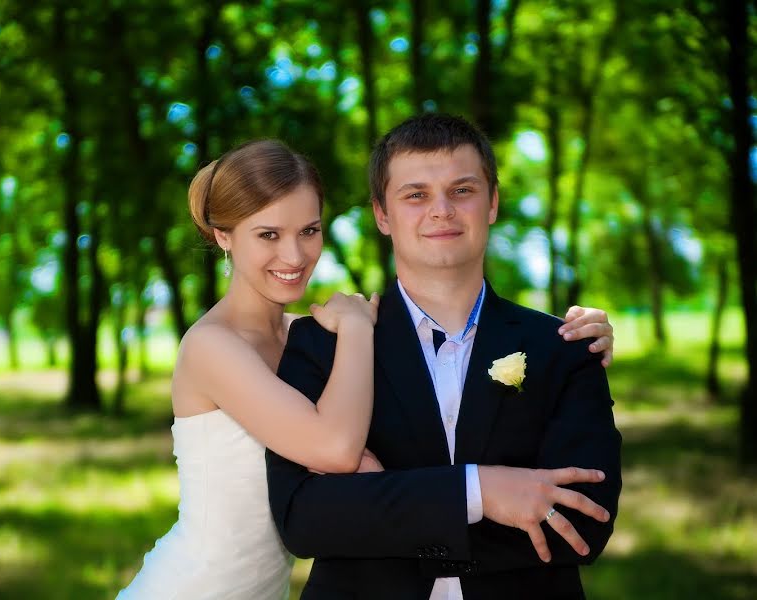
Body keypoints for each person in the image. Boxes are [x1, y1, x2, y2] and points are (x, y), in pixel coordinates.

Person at [117, 138, 616, 599]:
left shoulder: (302, 337)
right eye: (268, 234)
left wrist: (581, 336)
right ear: (222, 236)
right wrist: (357, 328)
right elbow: (335, 450)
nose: (294, 255)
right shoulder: (214, 346)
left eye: (309, 231)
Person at [266, 114, 623, 600]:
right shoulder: (320, 345)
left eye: (462, 190)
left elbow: (584, 521)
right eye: (416, 195)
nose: (441, 211)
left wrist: (383, 504)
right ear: (382, 214)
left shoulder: (564, 347)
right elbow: (306, 522)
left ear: (492, 202)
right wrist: (481, 492)